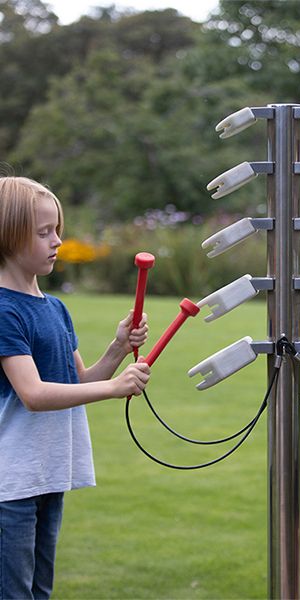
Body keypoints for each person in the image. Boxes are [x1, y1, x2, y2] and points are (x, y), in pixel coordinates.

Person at [0, 176, 151, 599]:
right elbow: (34, 395)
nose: (58, 241)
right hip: (11, 483)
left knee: (39, 591)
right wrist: (115, 389)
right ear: (9, 238)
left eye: (58, 230)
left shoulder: (55, 308)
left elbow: (80, 381)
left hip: (49, 475)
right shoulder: (4, 311)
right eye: (44, 232)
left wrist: (118, 349)